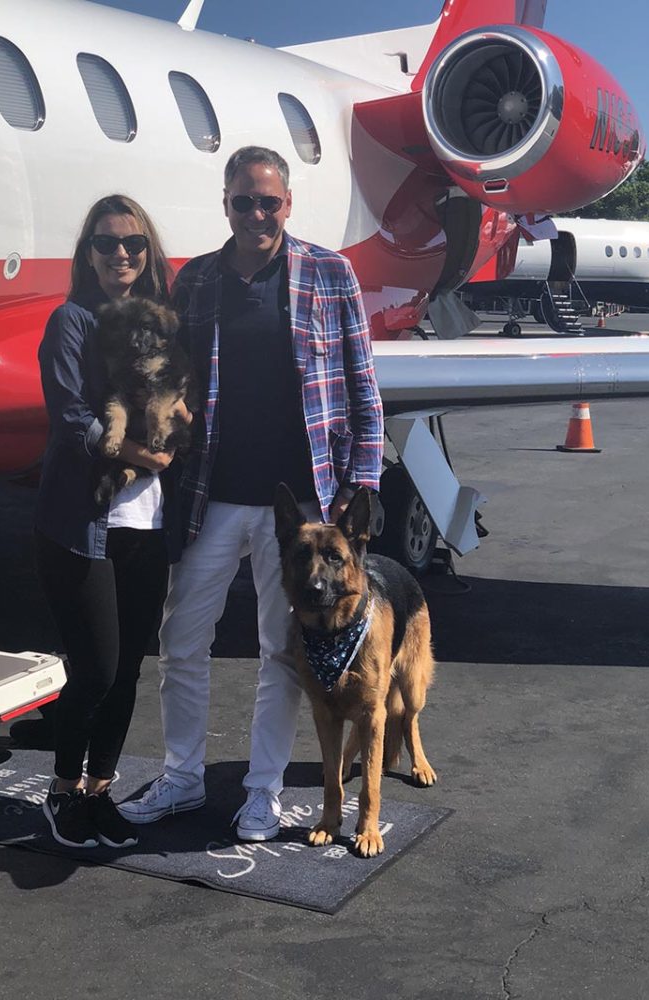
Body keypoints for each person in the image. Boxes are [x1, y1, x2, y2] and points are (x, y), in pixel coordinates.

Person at [118, 146, 384, 841]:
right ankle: (180, 778)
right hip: (211, 494)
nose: (256, 214)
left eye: (269, 202)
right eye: (243, 201)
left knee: (279, 651)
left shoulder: (330, 274)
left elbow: (363, 384)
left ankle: (262, 791)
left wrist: (366, 478)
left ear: (287, 204)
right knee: (181, 641)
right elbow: (169, 380)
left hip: (299, 512)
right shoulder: (199, 281)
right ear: (227, 204)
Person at [36, 194, 190, 850]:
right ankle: (62, 790)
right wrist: (144, 449)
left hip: (145, 524)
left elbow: (177, 408)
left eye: (132, 244)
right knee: (95, 668)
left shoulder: (163, 328)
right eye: (106, 244)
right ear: (88, 254)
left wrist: (182, 422)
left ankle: (100, 791)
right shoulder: (71, 322)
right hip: (83, 525)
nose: (120, 255)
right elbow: (72, 417)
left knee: (127, 669)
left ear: (148, 253)